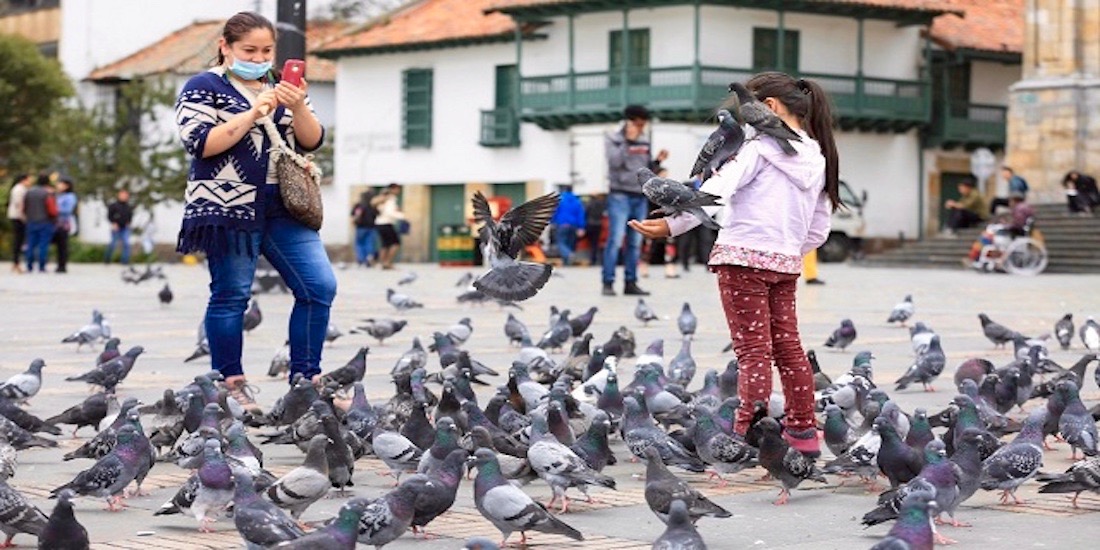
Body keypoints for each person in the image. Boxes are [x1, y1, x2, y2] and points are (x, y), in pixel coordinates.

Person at [630, 72, 839, 458]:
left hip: (741, 258)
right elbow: (819, 229)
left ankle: (749, 431)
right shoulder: (818, 156)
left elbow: (715, 193)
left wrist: (671, 225)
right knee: (789, 349)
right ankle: (803, 431)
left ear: (770, 108)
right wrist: (787, 248)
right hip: (785, 264)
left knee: (753, 352)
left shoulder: (757, 148)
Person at [175, 11, 332, 413]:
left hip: (285, 207)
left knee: (319, 286)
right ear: (225, 47)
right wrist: (252, 114)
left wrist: (296, 106)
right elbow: (201, 143)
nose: (259, 57)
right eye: (249, 50)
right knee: (231, 295)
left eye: (266, 50)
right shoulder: (202, 87)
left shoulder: (284, 86)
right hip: (226, 208)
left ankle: (306, 380)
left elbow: (311, 141)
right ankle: (229, 383)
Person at [602, 104, 668, 296]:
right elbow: (614, 163)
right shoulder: (613, 138)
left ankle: (631, 282)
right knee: (615, 240)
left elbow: (645, 169)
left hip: (639, 195)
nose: (642, 127)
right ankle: (608, 282)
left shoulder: (644, 140)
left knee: (635, 241)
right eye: (640, 123)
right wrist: (628, 142)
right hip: (619, 194)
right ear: (631, 121)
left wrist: (657, 162)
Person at [22, 174, 56, 274]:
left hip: (31, 221)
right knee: (43, 245)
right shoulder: (47, 193)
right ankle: (41, 266)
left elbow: (24, 207)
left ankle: (29, 266)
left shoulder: (29, 192)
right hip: (45, 222)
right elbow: (52, 210)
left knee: (30, 244)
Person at [371, 183, 406, 270]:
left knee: (385, 245)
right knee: (395, 243)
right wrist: (402, 216)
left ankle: (383, 263)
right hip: (387, 223)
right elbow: (390, 212)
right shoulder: (391, 199)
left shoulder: (381, 199)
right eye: (398, 189)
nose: (399, 191)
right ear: (394, 189)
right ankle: (388, 262)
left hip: (379, 223)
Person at [551, 185, 585, 266]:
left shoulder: (560, 200)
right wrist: (581, 227)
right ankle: (567, 263)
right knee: (569, 243)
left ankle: (568, 254)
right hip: (574, 225)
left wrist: (552, 222)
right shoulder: (577, 201)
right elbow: (581, 215)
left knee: (560, 242)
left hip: (562, 224)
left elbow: (554, 212)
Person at [5, 174, 31, 273]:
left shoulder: (20, 189)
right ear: (23, 180)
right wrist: (23, 217)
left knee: (19, 241)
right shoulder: (19, 189)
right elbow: (19, 204)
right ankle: (16, 263)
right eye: (28, 180)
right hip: (17, 217)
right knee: (18, 241)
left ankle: (16, 262)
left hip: (17, 216)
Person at [52, 177, 77, 273]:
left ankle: (62, 265)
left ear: (66, 186)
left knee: (62, 245)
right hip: (55, 223)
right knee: (57, 245)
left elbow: (67, 210)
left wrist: (55, 210)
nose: (58, 186)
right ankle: (58, 263)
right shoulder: (58, 196)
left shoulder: (70, 197)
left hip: (64, 223)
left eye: (60, 184)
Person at [104, 189, 133, 264]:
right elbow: (109, 216)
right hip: (116, 227)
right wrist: (113, 223)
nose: (124, 197)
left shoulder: (128, 206)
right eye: (122, 195)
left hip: (125, 228)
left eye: (125, 195)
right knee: (113, 244)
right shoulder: (113, 206)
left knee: (126, 244)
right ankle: (107, 259)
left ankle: (125, 261)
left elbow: (130, 217)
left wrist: (129, 224)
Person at [351, 189, 378, 267]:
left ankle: (361, 259)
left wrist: (354, 222)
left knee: (359, 243)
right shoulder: (372, 206)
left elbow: (355, 215)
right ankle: (369, 258)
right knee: (369, 243)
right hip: (371, 227)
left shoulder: (359, 205)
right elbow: (377, 215)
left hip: (361, 227)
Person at [583, 193, 606, 265]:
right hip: (598, 224)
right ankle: (594, 259)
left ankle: (590, 258)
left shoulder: (588, 204)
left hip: (589, 224)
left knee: (589, 242)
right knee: (595, 243)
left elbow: (585, 214)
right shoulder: (601, 204)